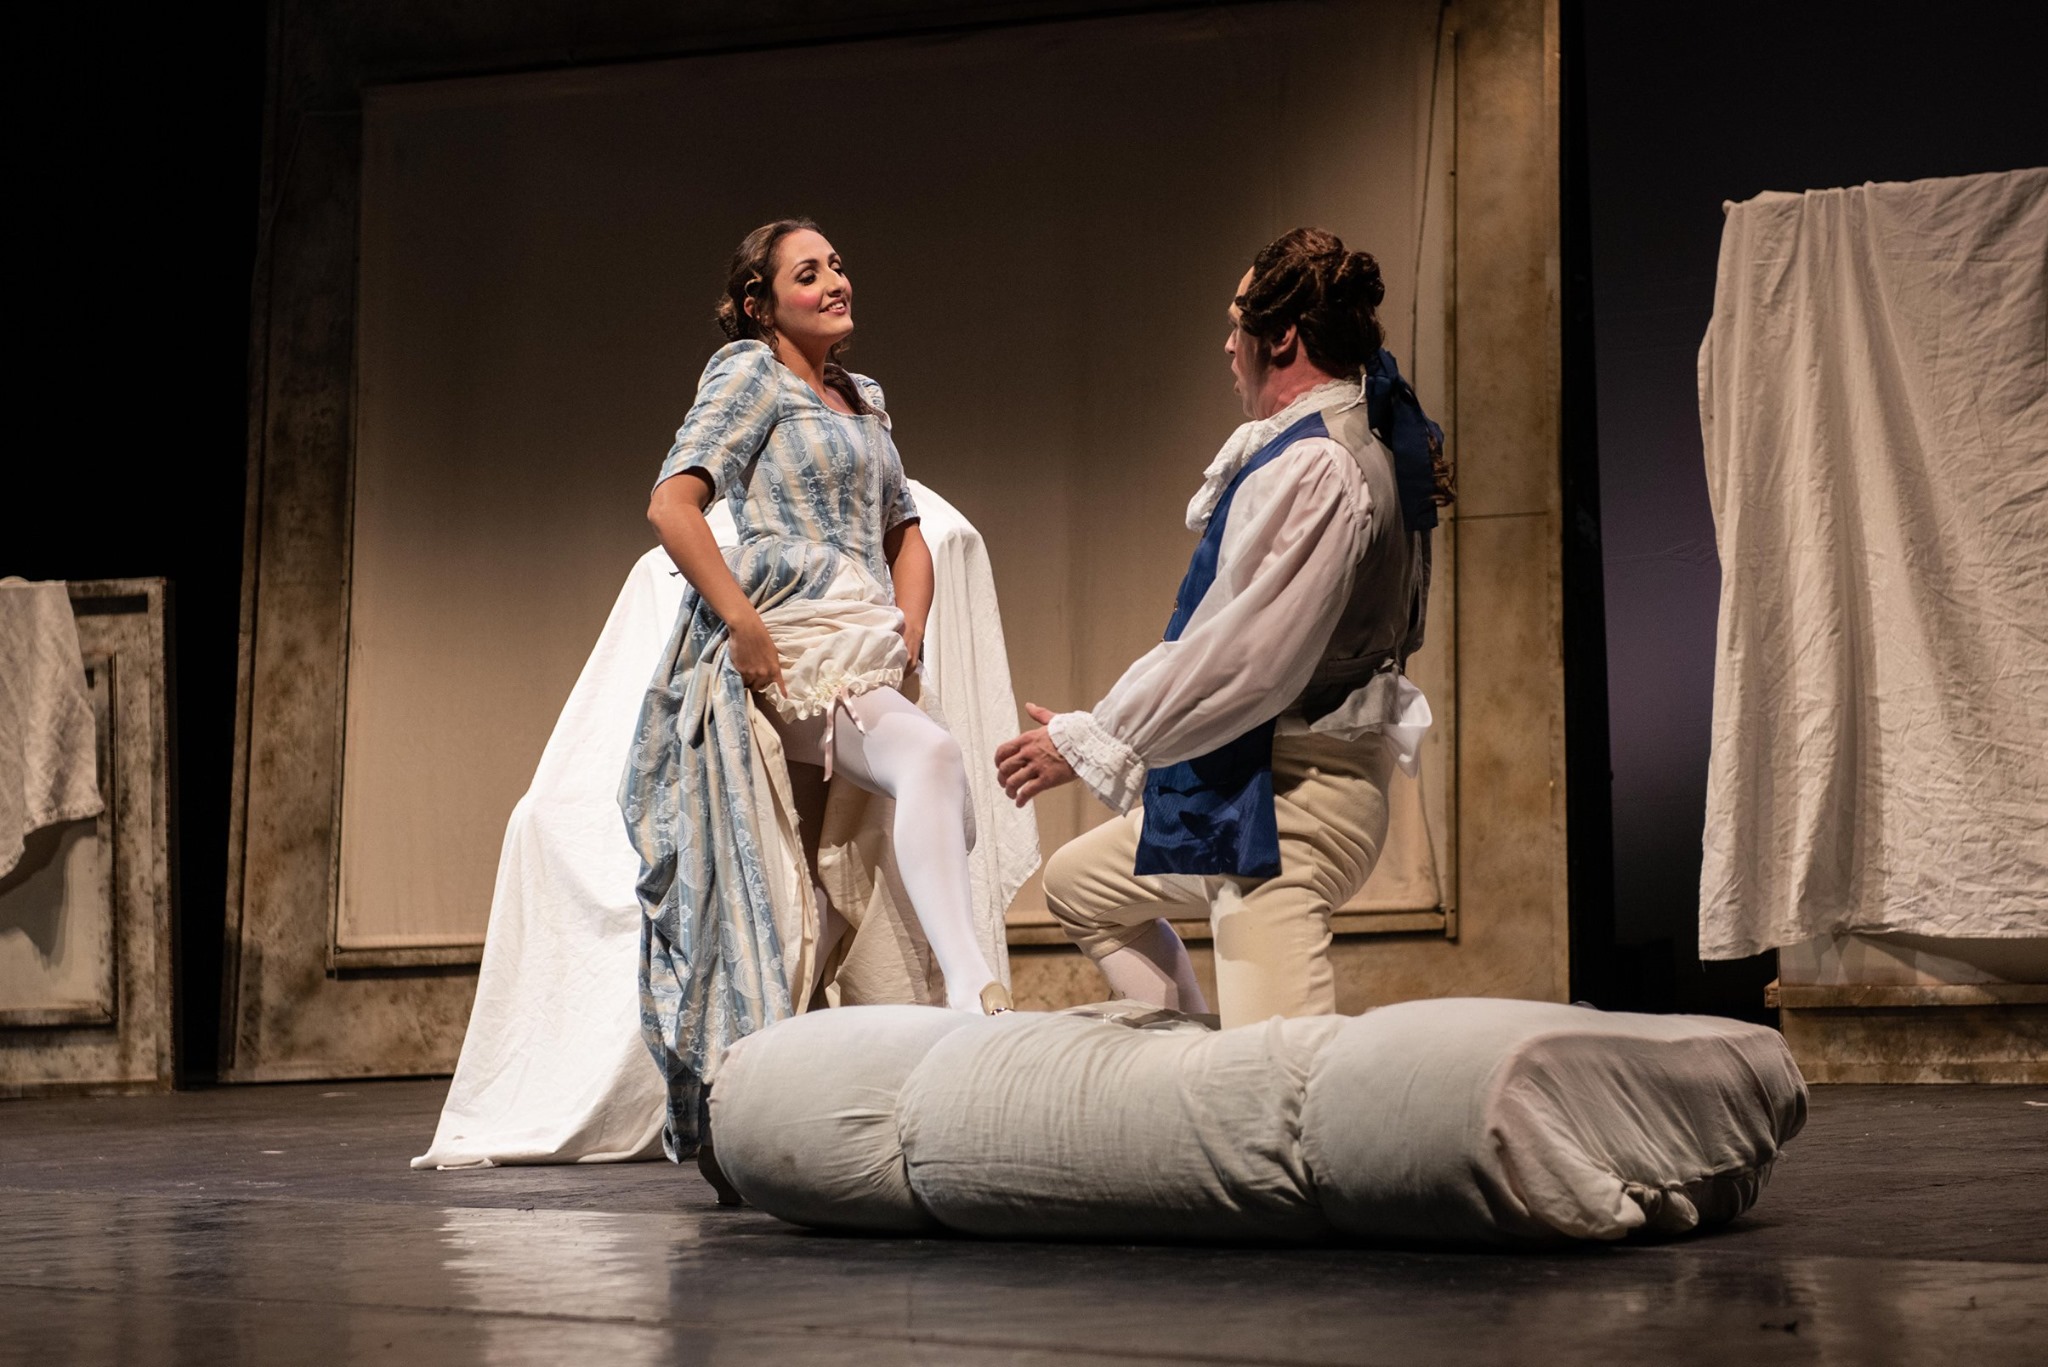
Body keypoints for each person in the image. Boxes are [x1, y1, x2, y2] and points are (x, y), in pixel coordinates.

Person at [622, 218, 1008, 1173]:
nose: (836, 280)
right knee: (926, 756)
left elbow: (904, 527)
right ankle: (976, 993)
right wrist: (742, 621)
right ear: (761, 303)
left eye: (837, 265)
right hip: (789, 627)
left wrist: (909, 624)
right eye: (809, 272)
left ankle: (781, 1115)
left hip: (863, 634)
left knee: (829, 874)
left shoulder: (862, 395)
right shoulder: (748, 375)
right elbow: (673, 503)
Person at [995, 227, 1446, 1029]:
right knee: (1078, 883)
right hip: (1255, 778)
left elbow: (1242, 662)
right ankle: (1182, 1072)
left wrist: (1095, 737)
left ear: (1283, 337)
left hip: (1296, 804)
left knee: (1275, 1072)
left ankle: (1229, 1085)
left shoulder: (1322, 464)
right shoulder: (1327, 436)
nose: (1228, 344)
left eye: (1238, 324)